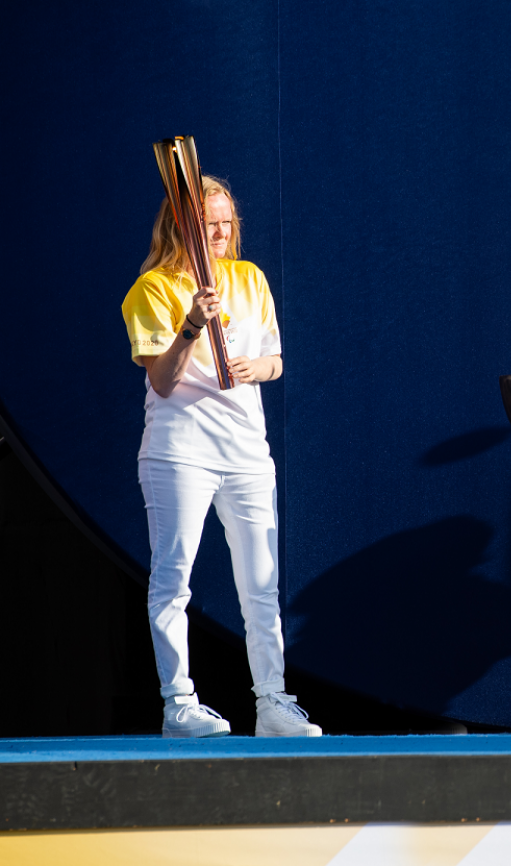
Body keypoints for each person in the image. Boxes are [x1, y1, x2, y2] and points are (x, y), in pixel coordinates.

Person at [121, 176, 321, 737]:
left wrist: (264, 369)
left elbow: (273, 359)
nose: (221, 230)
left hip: (246, 452)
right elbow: (162, 381)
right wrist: (190, 325)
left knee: (262, 583)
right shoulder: (153, 289)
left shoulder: (249, 278)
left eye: (227, 218)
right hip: (179, 452)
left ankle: (273, 703)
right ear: (180, 225)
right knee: (173, 580)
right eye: (209, 220)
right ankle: (178, 704)